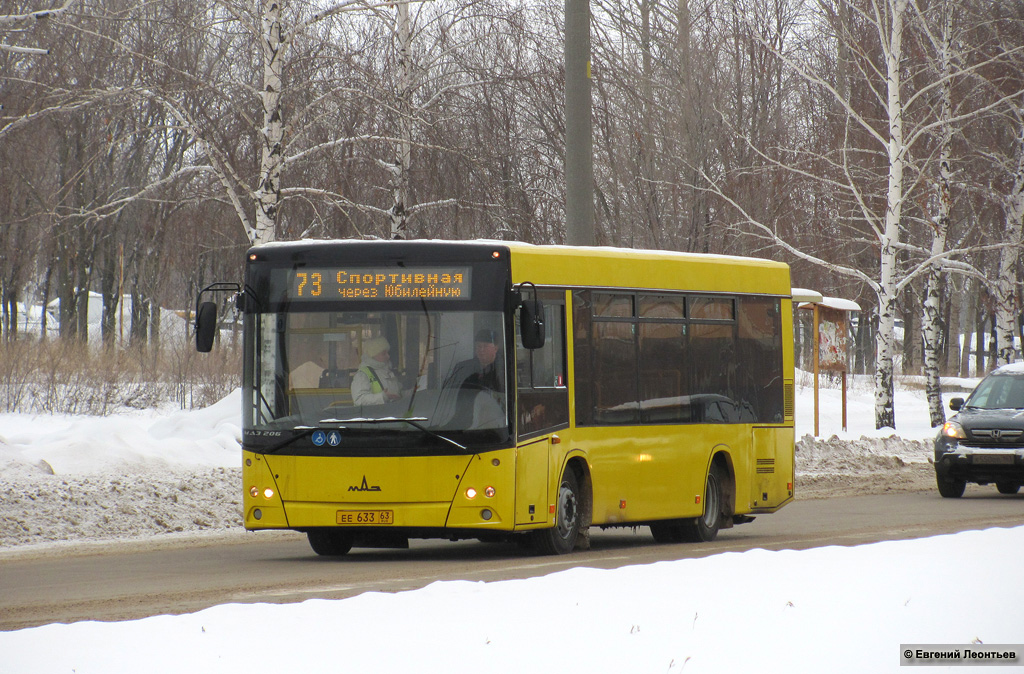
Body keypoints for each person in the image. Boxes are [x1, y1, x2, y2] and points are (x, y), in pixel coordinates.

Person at [445, 328, 504, 393]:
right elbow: (451, 391)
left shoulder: (503, 370)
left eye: (485, 346)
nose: (481, 350)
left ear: (495, 348)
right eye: (479, 346)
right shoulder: (462, 368)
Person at [351, 336, 403, 405]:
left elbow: (398, 393)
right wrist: (383, 397)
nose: (388, 356)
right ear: (373, 356)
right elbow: (359, 400)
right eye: (383, 354)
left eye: (388, 352)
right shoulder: (362, 375)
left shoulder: (388, 371)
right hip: (372, 415)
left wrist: (413, 392)